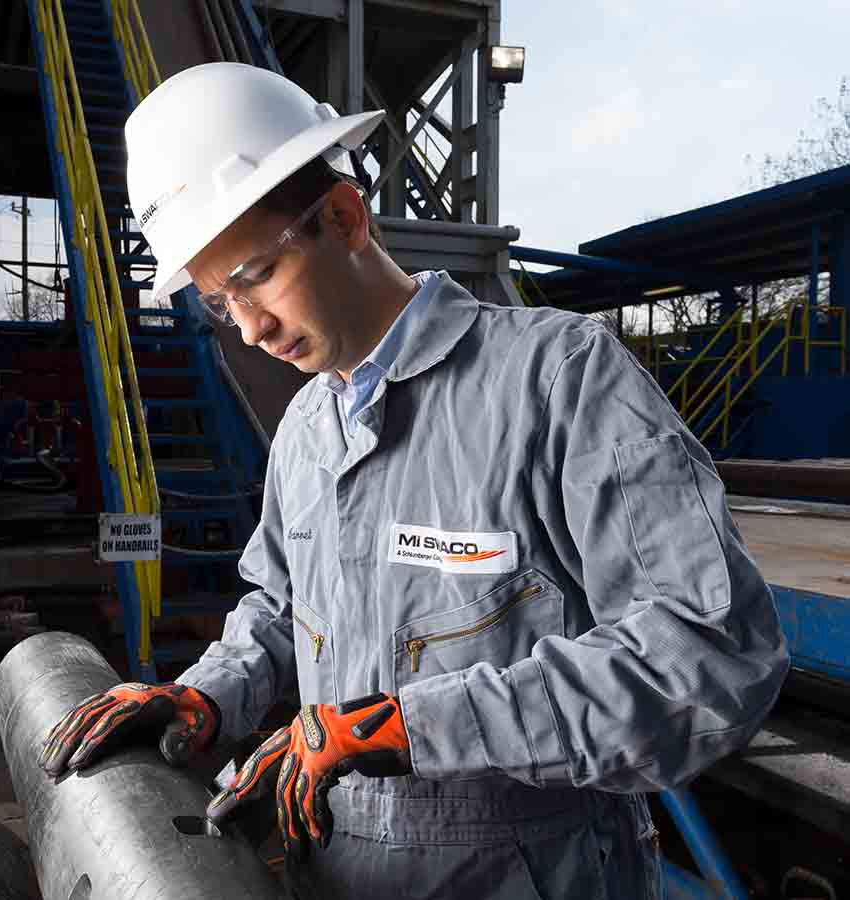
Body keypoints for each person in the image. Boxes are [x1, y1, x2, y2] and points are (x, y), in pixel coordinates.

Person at [39, 62, 788, 899]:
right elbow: (282, 609)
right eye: (218, 302)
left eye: (252, 278)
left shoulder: (557, 380)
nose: (248, 329)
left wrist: (410, 727)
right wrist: (207, 697)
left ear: (345, 217)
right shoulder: (304, 431)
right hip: (341, 872)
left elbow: (710, 653)